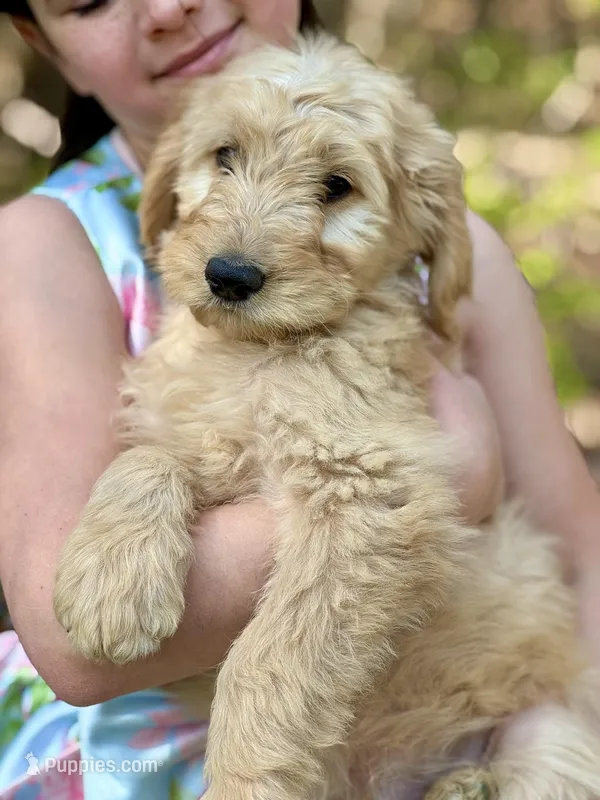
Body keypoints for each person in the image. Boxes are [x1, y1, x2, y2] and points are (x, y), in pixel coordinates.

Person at [0, 0, 598, 796]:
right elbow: (78, 640)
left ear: (423, 231)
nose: (169, 5)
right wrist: (463, 473)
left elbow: (581, 558)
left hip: (480, 720)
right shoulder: (45, 247)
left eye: (335, 186)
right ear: (46, 44)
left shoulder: (451, 274)